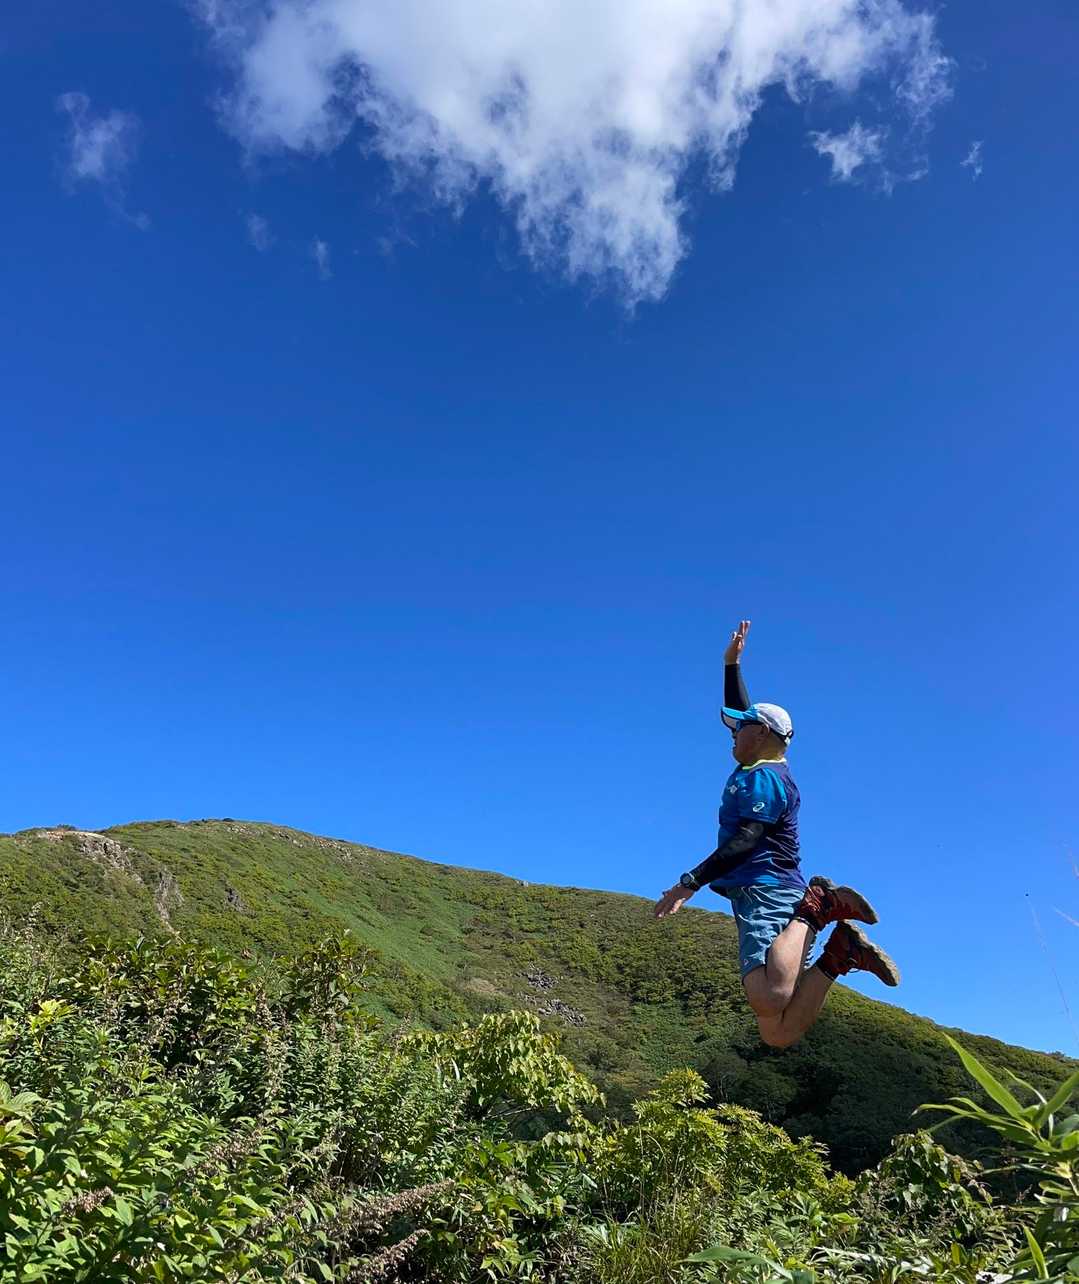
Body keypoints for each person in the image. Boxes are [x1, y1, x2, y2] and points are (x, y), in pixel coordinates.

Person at [653, 620, 899, 1049]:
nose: (732, 734)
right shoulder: (758, 763)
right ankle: (841, 955)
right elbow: (744, 714)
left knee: (770, 998)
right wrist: (732, 665)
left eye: (740, 729)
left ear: (762, 734)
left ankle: (817, 909)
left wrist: (688, 883)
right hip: (759, 891)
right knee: (777, 1033)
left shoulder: (765, 778)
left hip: (767, 888)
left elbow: (747, 838)